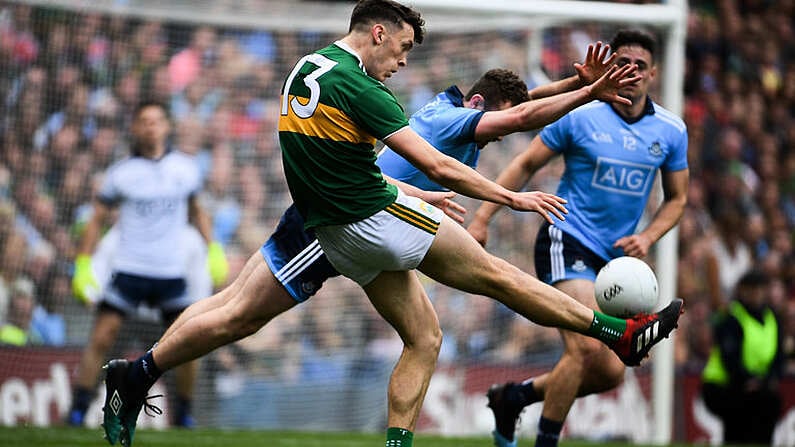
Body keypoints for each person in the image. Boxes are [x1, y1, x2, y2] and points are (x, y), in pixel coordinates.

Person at [99, 4, 682, 447]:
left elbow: (510, 111)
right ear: (377, 32)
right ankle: (617, 333)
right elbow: (488, 132)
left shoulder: (318, 68)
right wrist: (508, 195)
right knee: (494, 277)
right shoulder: (372, 90)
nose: (402, 62)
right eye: (401, 48)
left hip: (348, 207)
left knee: (420, 336)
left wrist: (579, 87)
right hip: (353, 221)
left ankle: (137, 371)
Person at [466, 29, 689, 447]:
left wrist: (649, 237)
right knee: (585, 349)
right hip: (565, 237)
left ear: (653, 73)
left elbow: (677, 199)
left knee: (609, 372)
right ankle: (546, 441)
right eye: (623, 62)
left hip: (615, 260)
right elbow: (525, 163)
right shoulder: (581, 115)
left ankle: (514, 398)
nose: (631, 71)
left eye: (640, 65)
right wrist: (483, 217)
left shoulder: (671, 130)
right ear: (612, 65)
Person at [67, 100, 229, 429]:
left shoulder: (185, 168)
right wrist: (83, 263)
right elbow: (96, 218)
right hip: (129, 270)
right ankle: (76, 411)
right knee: (101, 338)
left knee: (188, 343)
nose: (151, 126)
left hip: (170, 273)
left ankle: (184, 413)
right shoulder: (120, 173)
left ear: (166, 126)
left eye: (157, 121)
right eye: (144, 121)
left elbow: (198, 211)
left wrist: (213, 249)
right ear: (135, 128)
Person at [701, 269, 783, 445]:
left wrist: (765, 380)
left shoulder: (772, 318)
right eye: (751, 289)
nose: (755, 294)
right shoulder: (732, 317)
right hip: (722, 385)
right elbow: (729, 356)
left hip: (755, 385)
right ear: (742, 291)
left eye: (759, 289)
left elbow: (778, 358)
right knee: (745, 414)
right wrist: (747, 380)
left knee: (769, 402)